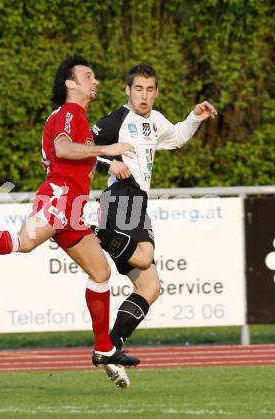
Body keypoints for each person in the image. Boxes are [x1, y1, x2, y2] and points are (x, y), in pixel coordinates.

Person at [0, 56, 139, 367]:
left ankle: (104, 349)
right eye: (88, 76)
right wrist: (107, 150)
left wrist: (105, 162)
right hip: (59, 198)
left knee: (100, 272)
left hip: (72, 207)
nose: (94, 81)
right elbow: (63, 149)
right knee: (24, 242)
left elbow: (73, 153)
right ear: (71, 84)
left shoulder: (73, 115)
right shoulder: (71, 112)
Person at [91, 63, 217, 388]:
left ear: (156, 92)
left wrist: (195, 117)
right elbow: (80, 149)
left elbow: (175, 139)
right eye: (138, 89)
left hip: (137, 202)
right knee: (144, 258)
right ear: (127, 91)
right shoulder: (116, 119)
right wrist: (110, 160)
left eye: (149, 90)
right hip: (120, 196)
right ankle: (96, 234)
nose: (143, 96)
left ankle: (111, 347)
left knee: (150, 287)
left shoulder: (155, 120)